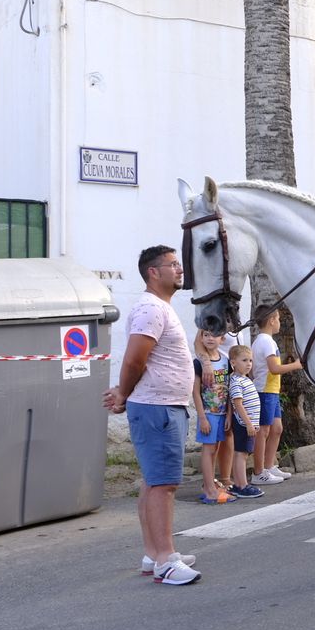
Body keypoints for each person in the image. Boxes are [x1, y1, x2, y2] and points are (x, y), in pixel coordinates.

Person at [103, 246, 200, 585]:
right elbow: (134, 360)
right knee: (163, 486)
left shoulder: (158, 308)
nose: (180, 269)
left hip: (161, 406)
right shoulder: (150, 308)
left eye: (179, 264)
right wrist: (124, 392)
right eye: (173, 265)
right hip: (157, 407)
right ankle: (164, 560)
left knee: (153, 481)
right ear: (153, 273)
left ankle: (154, 552)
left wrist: (124, 393)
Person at [249, 306, 300, 485]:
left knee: (276, 429)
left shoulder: (263, 341)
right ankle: (258, 472)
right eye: (277, 319)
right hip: (264, 391)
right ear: (272, 320)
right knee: (263, 431)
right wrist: (297, 365)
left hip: (271, 391)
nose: (279, 322)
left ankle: (269, 466)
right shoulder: (266, 341)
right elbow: (274, 368)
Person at [192, 328, 238, 505]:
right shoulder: (199, 363)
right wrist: (202, 417)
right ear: (201, 338)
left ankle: (211, 484)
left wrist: (228, 414)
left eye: (214, 335)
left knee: (216, 448)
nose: (210, 338)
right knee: (208, 449)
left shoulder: (225, 362)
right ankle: (209, 488)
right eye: (206, 335)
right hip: (208, 414)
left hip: (221, 414)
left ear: (222, 338)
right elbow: (195, 392)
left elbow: (227, 390)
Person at [224, 345, 264, 499]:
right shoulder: (236, 381)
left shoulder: (245, 379)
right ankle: (242, 485)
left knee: (242, 453)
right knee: (242, 454)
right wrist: (248, 423)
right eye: (244, 360)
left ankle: (239, 484)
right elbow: (238, 404)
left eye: (251, 360)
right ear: (233, 363)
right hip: (243, 424)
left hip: (249, 423)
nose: (249, 364)